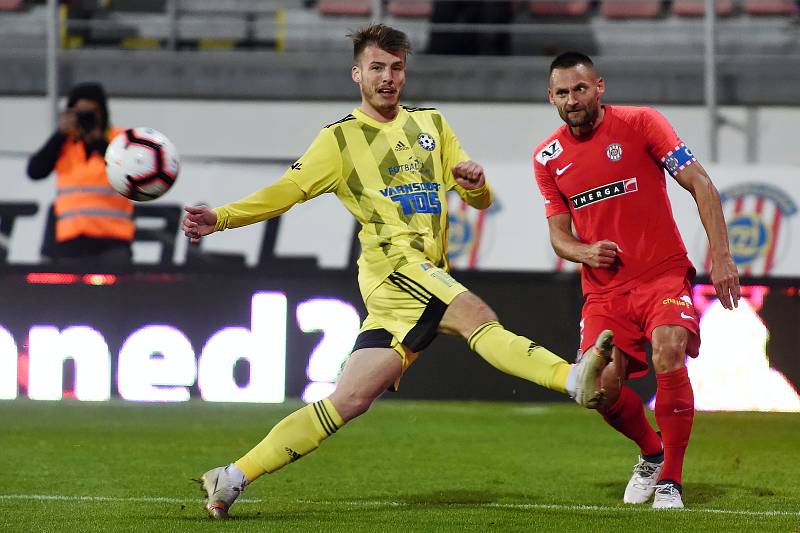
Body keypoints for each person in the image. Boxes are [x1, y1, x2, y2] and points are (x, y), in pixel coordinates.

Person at [183, 24, 613, 520]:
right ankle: (571, 378)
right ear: (356, 74)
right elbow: (285, 192)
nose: (388, 78)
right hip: (395, 268)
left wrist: (474, 185)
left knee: (350, 400)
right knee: (475, 314)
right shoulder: (339, 140)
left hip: (416, 279)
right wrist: (222, 218)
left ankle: (232, 476)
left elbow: (481, 197)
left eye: (396, 68)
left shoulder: (431, 124)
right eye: (377, 68)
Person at [533, 52, 741, 509]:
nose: (573, 99)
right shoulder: (547, 158)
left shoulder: (642, 122)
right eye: (563, 92)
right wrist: (585, 251)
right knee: (597, 390)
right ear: (551, 97)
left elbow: (701, 184)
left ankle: (670, 480)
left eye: (581, 89)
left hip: (661, 274)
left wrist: (721, 257)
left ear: (599, 87)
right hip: (604, 291)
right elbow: (558, 236)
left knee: (669, 352)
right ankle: (652, 451)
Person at [27, 82, 134, 265]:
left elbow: (134, 175)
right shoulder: (65, 143)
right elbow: (35, 172)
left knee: (115, 294)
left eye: (91, 113)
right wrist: (59, 135)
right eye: (80, 113)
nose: (86, 118)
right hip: (70, 243)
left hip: (112, 243)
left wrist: (99, 142)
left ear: (102, 113)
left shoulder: (119, 139)